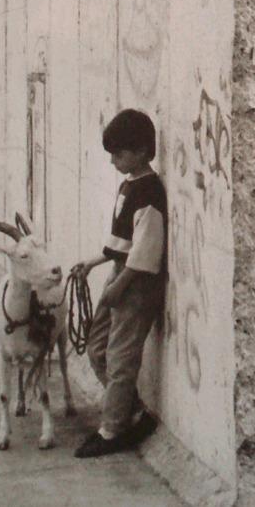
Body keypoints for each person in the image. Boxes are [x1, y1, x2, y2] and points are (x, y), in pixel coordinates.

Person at [73, 109, 167, 458]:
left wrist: (118, 285)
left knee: (120, 356)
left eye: (119, 154)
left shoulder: (151, 193)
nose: (113, 161)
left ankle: (112, 430)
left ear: (141, 151)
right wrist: (94, 262)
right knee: (97, 348)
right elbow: (123, 241)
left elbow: (144, 254)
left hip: (137, 284)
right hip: (120, 273)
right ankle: (134, 412)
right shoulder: (129, 185)